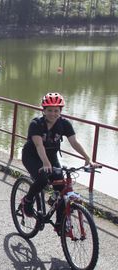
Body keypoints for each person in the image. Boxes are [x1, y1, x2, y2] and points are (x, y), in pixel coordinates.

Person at [21, 93, 98, 230]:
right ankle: (27, 200)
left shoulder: (64, 124)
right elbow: (39, 146)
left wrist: (88, 159)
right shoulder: (36, 124)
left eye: (56, 110)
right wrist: (45, 163)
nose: (53, 113)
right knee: (43, 179)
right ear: (43, 110)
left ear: (60, 111)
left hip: (51, 157)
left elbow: (74, 142)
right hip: (32, 156)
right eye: (49, 110)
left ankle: (59, 223)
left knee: (62, 189)